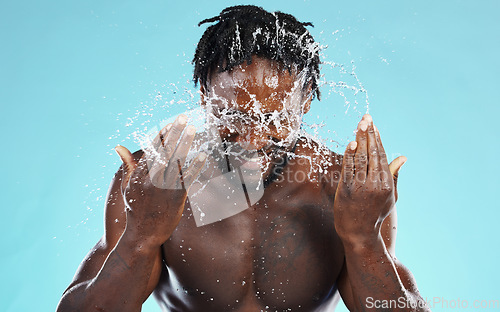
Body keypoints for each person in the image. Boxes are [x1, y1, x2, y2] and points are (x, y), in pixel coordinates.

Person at [57, 5, 429, 312]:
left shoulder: (344, 187)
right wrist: (140, 236)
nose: (252, 139)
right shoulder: (155, 177)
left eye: (275, 120)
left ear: (307, 103)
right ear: (205, 95)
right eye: (233, 116)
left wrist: (365, 238)